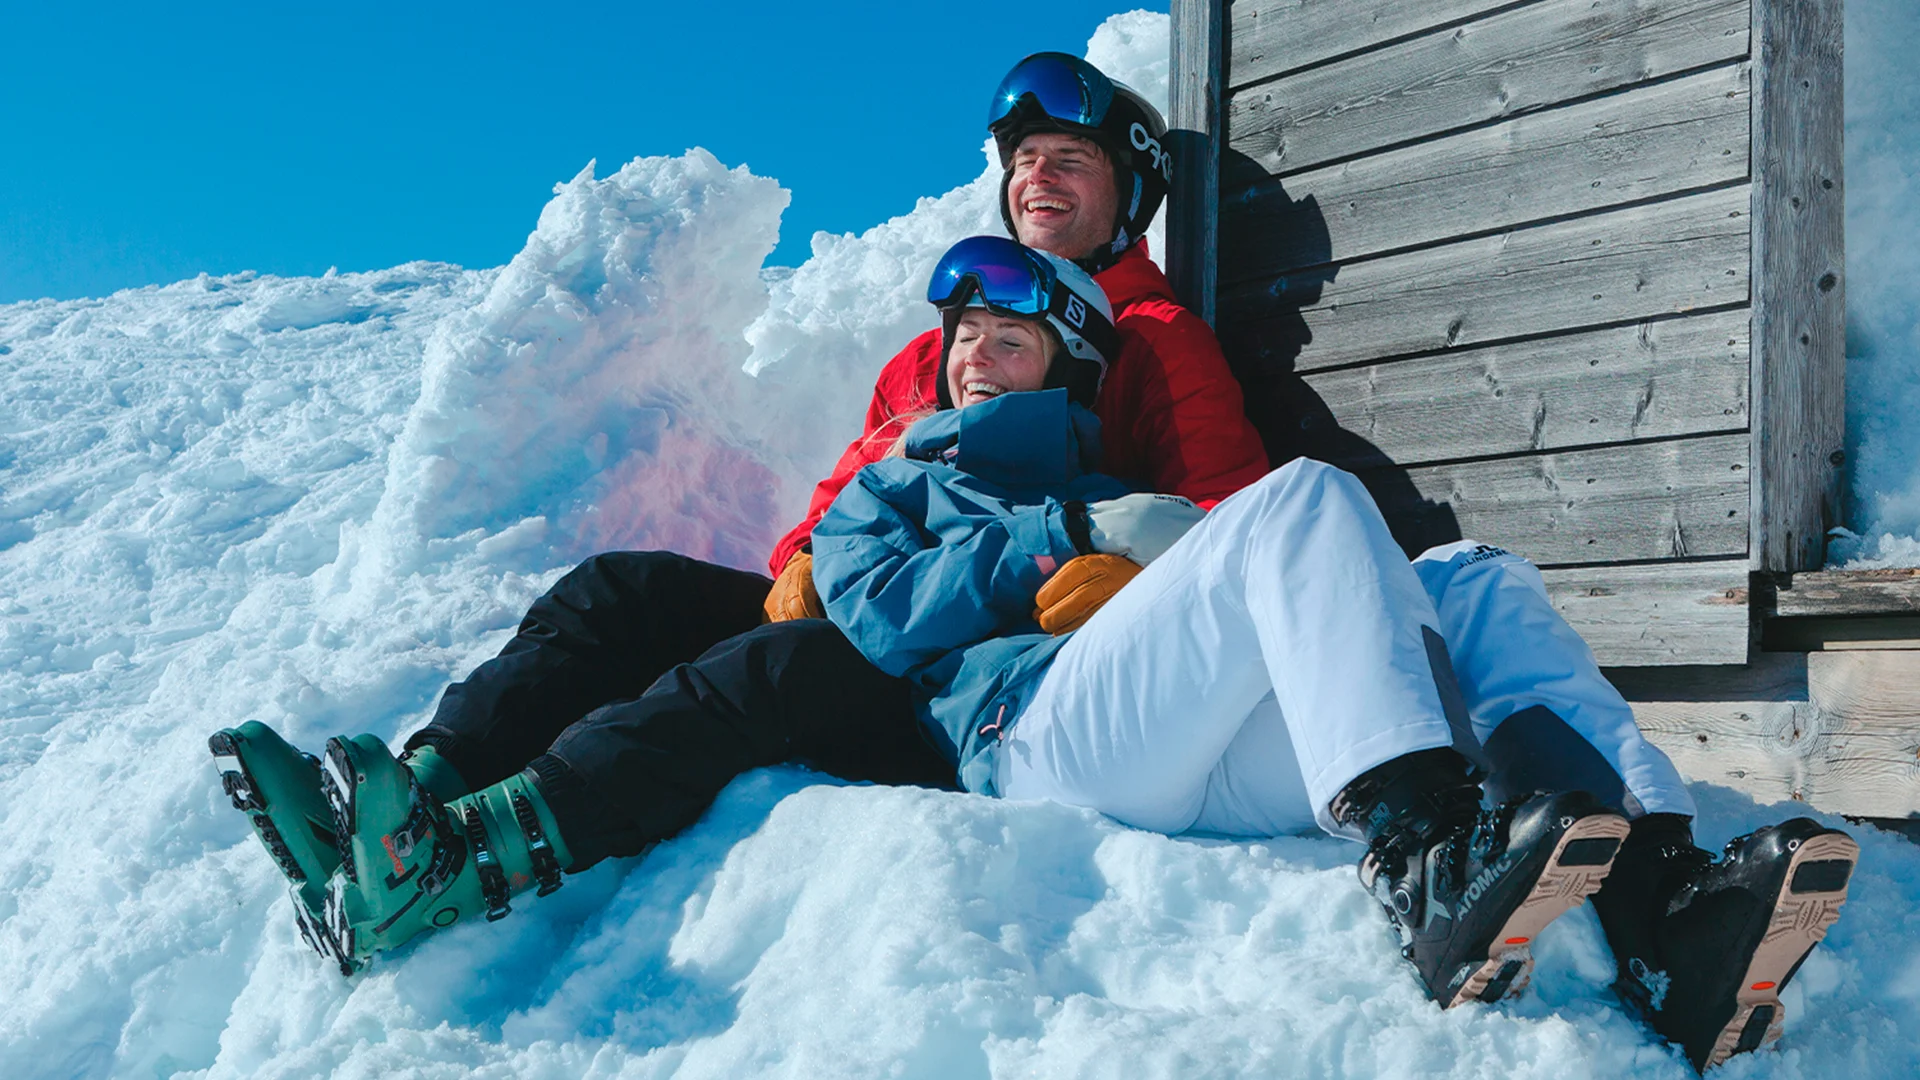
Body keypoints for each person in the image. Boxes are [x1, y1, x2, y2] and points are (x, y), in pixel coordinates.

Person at [209, 55, 1271, 972]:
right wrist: (804, 555)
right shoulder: (939, 346)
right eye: (1025, 159)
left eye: (1071, 161)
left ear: (1129, 192)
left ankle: (468, 861)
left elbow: (1225, 510)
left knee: (774, 671)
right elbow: (851, 493)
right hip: (875, 599)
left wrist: (1125, 573)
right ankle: (404, 813)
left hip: (975, 644)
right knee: (619, 592)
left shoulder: (1152, 337)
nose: (1039, 178)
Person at [811, 236, 1861, 1074]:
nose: (974, 356)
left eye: (1008, 339)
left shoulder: (1120, 495)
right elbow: (879, 616)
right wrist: (1065, 537)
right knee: (1303, 495)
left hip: (1191, 757)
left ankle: (1661, 905)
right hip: (1032, 738)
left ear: (1067, 372)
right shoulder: (893, 488)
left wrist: (1121, 532)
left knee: (1475, 576)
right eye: (964, 336)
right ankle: (1421, 856)